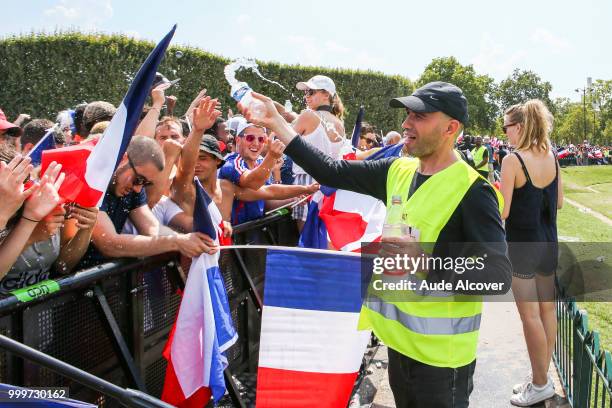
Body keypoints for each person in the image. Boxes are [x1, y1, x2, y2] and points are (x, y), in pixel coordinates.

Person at [240, 81, 512, 408]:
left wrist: (427, 262)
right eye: (408, 114)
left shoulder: (474, 191)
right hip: (399, 348)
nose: (406, 124)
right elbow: (331, 170)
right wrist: (278, 124)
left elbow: (498, 276)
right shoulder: (398, 169)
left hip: (442, 363)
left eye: (420, 117)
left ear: (450, 128)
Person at [500, 100, 563, 406]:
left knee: (530, 316)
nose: (505, 133)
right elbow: (559, 202)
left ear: (520, 127)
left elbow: (505, 209)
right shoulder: (552, 156)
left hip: (522, 246)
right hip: (549, 242)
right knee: (547, 312)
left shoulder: (512, 161)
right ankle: (542, 377)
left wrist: (494, 190)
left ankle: (540, 382)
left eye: (506, 127)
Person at [74, 136, 216, 269]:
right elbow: (109, 243)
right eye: (138, 179)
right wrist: (176, 242)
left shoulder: (134, 187)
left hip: (107, 278)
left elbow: (152, 229)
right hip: (74, 281)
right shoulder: (91, 183)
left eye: (145, 183)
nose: (138, 189)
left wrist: (185, 239)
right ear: (123, 159)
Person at [0, 146, 98, 293]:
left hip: (41, 312)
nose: (18, 196)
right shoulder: (30, 214)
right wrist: (28, 230)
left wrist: (87, 227)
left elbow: (63, 265)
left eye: (23, 185)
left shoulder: (42, 206)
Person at [276, 75, 346, 230]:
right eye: (306, 92)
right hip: (331, 185)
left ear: (326, 94)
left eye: (311, 92)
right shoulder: (339, 123)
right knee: (323, 241)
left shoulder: (308, 115)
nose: (306, 96)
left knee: (306, 241)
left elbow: (281, 140)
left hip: (306, 183)